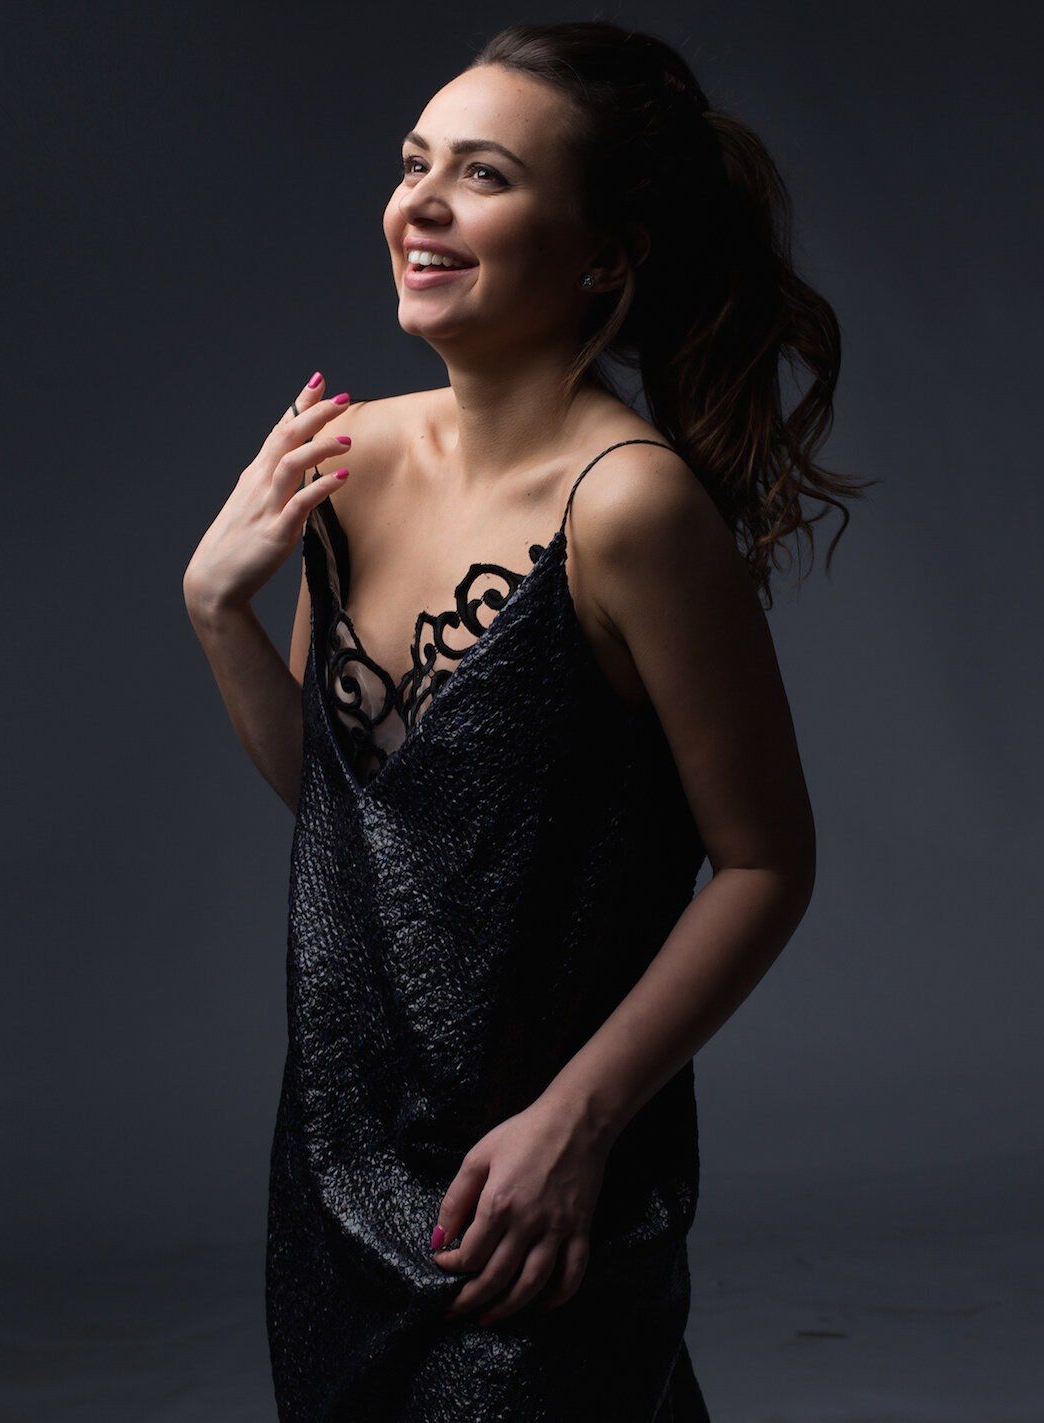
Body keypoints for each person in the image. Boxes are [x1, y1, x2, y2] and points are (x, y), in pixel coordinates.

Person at [184, 20, 866, 1422]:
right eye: (413, 164)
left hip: (535, 1180)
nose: (420, 204)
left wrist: (578, 1122)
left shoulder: (631, 506)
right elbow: (342, 808)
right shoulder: (348, 455)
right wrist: (214, 609)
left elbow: (767, 863)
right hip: (336, 1163)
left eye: (482, 175)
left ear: (603, 255)